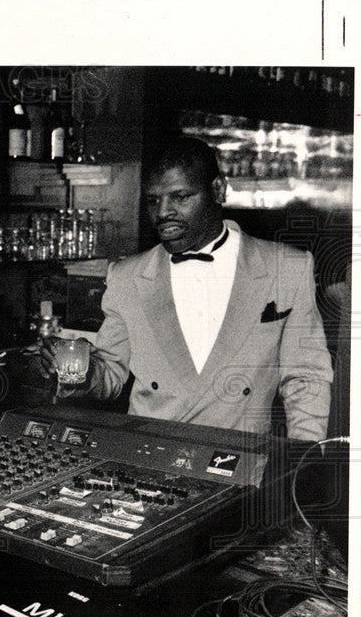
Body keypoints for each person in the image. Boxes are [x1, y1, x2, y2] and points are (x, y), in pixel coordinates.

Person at [37, 136, 332, 442]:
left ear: (218, 190)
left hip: (241, 459)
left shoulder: (286, 268)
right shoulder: (127, 276)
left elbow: (306, 378)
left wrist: (303, 457)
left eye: (180, 197)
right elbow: (110, 370)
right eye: (153, 200)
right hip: (148, 453)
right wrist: (81, 373)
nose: (163, 212)